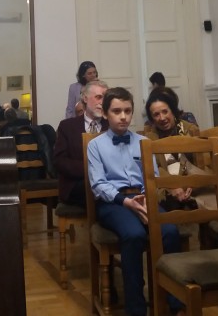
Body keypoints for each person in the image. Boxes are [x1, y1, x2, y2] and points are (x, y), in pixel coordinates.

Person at [87, 87, 183, 316]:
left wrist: (146, 198)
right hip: (113, 203)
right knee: (134, 234)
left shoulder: (144, 142)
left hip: (143, 197)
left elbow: (154, 177)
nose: (123, 116)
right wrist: (125, 201)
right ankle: (136, 308)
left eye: (127, 111)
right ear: (105, 114)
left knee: (170, 231)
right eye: (116, 111)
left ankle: (174, 302)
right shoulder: (95, 145)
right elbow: (98, 184)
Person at [143, 87, 203, 210]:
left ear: (173, 111)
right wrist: (172, 186)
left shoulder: (190, 130)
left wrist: (192, 184)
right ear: (152, 118)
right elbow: (153, 169)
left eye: (165, 112)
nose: (162, 118)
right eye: (156, 115)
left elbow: (201, 163)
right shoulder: (149, 138)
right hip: (165, 189)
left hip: (193, 186)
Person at [54, 80, 109, 207]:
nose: (102, 102)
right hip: (76, 184)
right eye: (98, 97)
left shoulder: (111, 126)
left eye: (105, 98)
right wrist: (92, 170)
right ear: (85, 98)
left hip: (108, 182)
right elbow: (59, 161)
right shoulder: (67, 126)